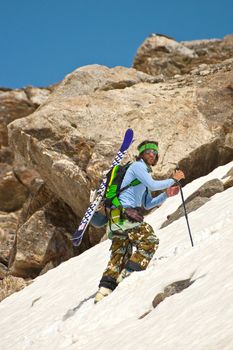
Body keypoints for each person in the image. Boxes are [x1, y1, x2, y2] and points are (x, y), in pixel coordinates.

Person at [94, 140, 185, 303]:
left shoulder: (143, 175)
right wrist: (174, 179)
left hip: (116, 219)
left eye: (154, 152)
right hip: (126, 215)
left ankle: (104, 289)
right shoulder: (137, 167)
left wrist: (167, 194)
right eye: (148, 151)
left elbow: (147, 203)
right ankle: (129, 273)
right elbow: (153, 184)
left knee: (120, 253)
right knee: (150, 241)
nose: (152, 154)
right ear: (141, 154)